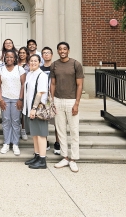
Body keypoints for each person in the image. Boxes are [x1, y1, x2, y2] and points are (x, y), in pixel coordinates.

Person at [50, 42, 84, 173]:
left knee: (74, 131)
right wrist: (51, 101)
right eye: (60, 49)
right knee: (61, 130)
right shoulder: (54, 65)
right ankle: (64, 157)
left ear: (68, 51)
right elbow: (53, 84)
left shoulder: (76, 64)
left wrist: (77, 103)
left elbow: (80, 85)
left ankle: (73, 159)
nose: (62, 51)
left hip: (71, 101)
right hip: (58, 101)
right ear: (58, 51)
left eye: (65, 49)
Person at [0, 50, 25, 156]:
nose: (9, 59)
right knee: (6, 121)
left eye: (11, 57)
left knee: (16, 121)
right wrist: (0, 100)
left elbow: (23, 85)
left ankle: (15, 144)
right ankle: (6, 143)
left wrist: (20, 99)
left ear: (15, 58)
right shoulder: (1, 69)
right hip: (5, 99)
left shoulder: (20, 69)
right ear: (4, 58)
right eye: (7, 57)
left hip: (17, 99)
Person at [23, 54, 49, 169]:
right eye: (31, 61)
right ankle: (37, 156)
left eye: (35, 61)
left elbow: (40, 93)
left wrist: (34, 108)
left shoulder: (42, 75)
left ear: (40, 62)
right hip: (29, 109)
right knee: (35, 134)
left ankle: (42, 160)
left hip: (38, 109)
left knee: (41, 134)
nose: (33, 62)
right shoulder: (29, 74)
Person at [40, 46, 57, 153]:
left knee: (57, 122)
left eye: (48, 53)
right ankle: (44, 142)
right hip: (43, 98)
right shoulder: (39, 69)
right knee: (43, 121)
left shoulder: (56, 68)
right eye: (44, 53)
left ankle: (58, 143)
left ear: (51, 55)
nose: (46, 54)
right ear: (42, 56)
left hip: (55, 97)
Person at [17, 46, 30, 141]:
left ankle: (24, 130)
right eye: (20, 53)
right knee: (17, 110)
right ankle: (17, 130)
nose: (22, 54)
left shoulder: (30, 65)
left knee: (24, 112)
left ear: (27, 54)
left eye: (23, 53)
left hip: (27, 90)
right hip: (16, 89)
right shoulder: (15, 64)